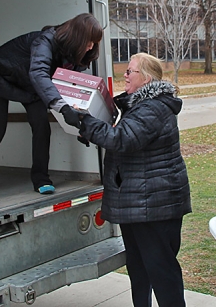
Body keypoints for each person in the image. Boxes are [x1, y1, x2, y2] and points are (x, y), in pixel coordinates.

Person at [64, 52, 191, 307]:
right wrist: (91, 128)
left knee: (161, 272)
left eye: (130, 71)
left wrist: (84, 121)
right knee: (139, 268)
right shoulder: (140, 106)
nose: (125, 75)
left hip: (153, 205)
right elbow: (120, 135)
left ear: (145, 78)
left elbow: (121, 139)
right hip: (139, 202)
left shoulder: (153, 108)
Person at [0, 13, 103, 195]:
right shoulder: (45, 42)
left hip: (30, 87)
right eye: (89, 41)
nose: (91, 47)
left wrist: (81, 127)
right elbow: (39, 73)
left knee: (41, 126)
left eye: (94, 43)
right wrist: (64, 109)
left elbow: (70, 90)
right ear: (78, 37)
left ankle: (41, 180)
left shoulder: (76, 56)